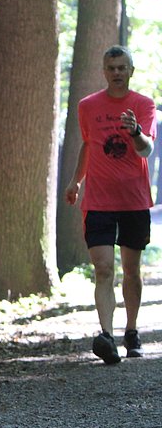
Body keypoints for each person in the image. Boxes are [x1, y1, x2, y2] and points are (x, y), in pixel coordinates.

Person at [65, 45, 158, 365]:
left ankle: (131, 331)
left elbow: (145, 150)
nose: (117, 72)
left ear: (131, 71)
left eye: (122, 67)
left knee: (131, 270)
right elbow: (89, 145)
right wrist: (75, 181)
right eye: (111, 68)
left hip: (133, 199)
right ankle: (106, 335)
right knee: (103, 269)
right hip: (99, 199)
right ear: (104, 71)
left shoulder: (144, 105)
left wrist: (135, 131)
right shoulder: (88, 106)